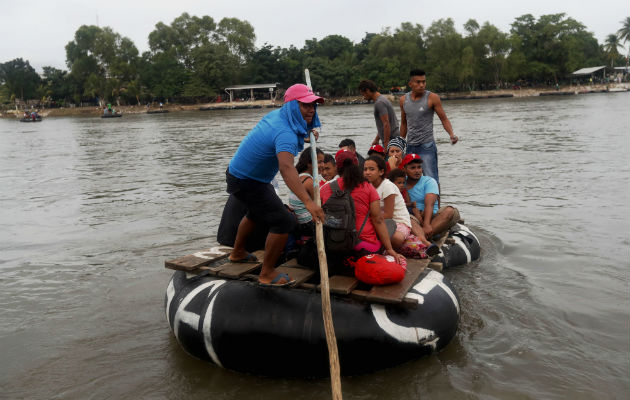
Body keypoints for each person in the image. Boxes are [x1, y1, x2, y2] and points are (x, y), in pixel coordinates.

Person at [226, 83, 325, 287]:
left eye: (313, 106)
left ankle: (237, 252)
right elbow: (287, 168)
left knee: (255, 213)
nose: (311, 110)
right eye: (305, 105)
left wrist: (305, 136)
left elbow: (282, 139)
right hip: (248, 180)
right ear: (291, 106)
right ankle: (267, 273)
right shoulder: (285, 133)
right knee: (284, 221)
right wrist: (308, 202)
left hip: (241, 174)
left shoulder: (279, 117)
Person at [320, 149, 405, 265]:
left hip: (333, 244)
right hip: (363, 246)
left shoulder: (325, 188)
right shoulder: (367, 188)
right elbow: (378, 220)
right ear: (358, 166)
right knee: (389, 224)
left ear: (337, 168)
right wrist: (390, 249)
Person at [363, 156, 436, 258]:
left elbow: (388, 214)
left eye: (372, 169)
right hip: (379, 221)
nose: (367, 172)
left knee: (396, 239)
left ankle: (414, 242)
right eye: (365, 169)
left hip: (397, 222)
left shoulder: (387, 186)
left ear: (381, 172)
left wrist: (369, 219)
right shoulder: (366, 186)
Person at [399, 69, 458, 184]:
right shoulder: (403, 100)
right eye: (418, 82)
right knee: (410, 181)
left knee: (432, 180)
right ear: (410, 84)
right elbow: (404, 123)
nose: (422, 85)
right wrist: (400, 145)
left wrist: (451, 134)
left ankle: (437, 202)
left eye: (424, 82)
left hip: (426, 146)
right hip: (410, 146)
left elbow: (444, 119)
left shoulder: (432, 98)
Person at [402, 153, 459, 240]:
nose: (417, 171)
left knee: (450, 211)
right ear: (405, 169)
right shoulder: (402, 183)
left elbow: (429, 205)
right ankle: (427, 236)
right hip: (414, 218)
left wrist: (427, 224)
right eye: (413, 168)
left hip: (433, 217)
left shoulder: (429, 181)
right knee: (407, 218)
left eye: (419, 167)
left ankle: (423, 236)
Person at [288, 147, 324, 239]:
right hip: (307, 225)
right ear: (309, 164)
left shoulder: (298, 177)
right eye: (319, 162)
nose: (322, 165)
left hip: (299, 222)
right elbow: (318, 206)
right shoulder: (310, 182)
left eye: (323, 162)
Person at [358, 80, 400, 149]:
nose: (364, 97)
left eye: (363, 94)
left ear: (368, 91)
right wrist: (377, 139)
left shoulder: (379, 103)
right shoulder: (382, 100)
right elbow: (384, 125)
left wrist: (386, 145)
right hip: (394, 138)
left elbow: (386, 124)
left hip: (392, 140)